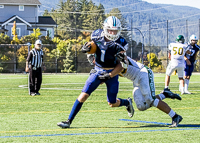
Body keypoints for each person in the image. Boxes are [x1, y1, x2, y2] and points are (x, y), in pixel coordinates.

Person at [57, 16, 134, 128]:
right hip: (97, 70)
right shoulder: (97, 35)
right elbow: (91, 46)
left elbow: (122, 65)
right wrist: (86, 48)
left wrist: (110, 75)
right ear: (105, 28)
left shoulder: (120, 42)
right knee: (83, 95)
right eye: (110, 30)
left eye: (115, 30)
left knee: (112, 103)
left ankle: (127, 102)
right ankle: (68, 121)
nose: (112, 33)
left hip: (112, 73)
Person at [97, 53, 183, 128]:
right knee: (141, 106)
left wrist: (107, 75)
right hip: (135, 79)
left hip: (143, 73)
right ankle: (165, 94)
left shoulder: (115, 56)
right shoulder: (107, 63)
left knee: (150, 99)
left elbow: (121, 67)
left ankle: (175, 116)